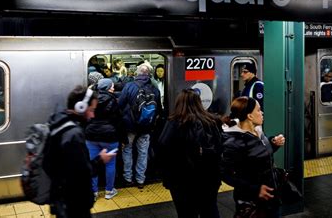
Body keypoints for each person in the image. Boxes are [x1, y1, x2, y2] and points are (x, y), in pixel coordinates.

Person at [42, 85, 116, 218]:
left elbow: (49, 165)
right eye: (92, 110)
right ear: (80, 107)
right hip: (74, 204)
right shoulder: (74, 134)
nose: (93, 115)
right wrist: (101, 160)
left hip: (60, 199)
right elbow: (83, 172)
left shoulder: (58, 124)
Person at [157, 89, 223, 218]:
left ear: (179, 103)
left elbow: (162, 148)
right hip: (208, 179)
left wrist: (167, 178)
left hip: (181, 181)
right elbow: (219, 149)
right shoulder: (211, 121)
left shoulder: (173, 123)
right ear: (199, 103)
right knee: (210, 210)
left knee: (186, 213)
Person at [221, 96, 285, 218]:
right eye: (258, 110)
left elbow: (258, 154)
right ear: (250, 116)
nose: (262, 113)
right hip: (252, 202)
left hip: (271, 197)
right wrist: (255, 189)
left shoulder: (257, 131)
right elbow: (225, 174)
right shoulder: (234, 142)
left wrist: (273, 143)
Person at [118, 63, 161, 188]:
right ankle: (140, 180)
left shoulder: (129, 86)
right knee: (143, 152)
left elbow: (120, 104)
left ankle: (128, 178)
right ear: (149, 74)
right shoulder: (154, 89)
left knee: (127, 150)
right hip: (146, 127)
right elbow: (158, 109)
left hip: (130, 126)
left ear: (137, 73)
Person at [85, 79, 126, 200]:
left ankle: (93, 192)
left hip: (91, 136)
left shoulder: (91, 99)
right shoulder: (114, 101)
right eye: (112, 86)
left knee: (93, 163)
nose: (113, 88)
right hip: (109, 136)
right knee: (110, 164)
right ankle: (109, 191)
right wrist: (123, 138)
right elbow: (119, 121)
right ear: (107, 87)